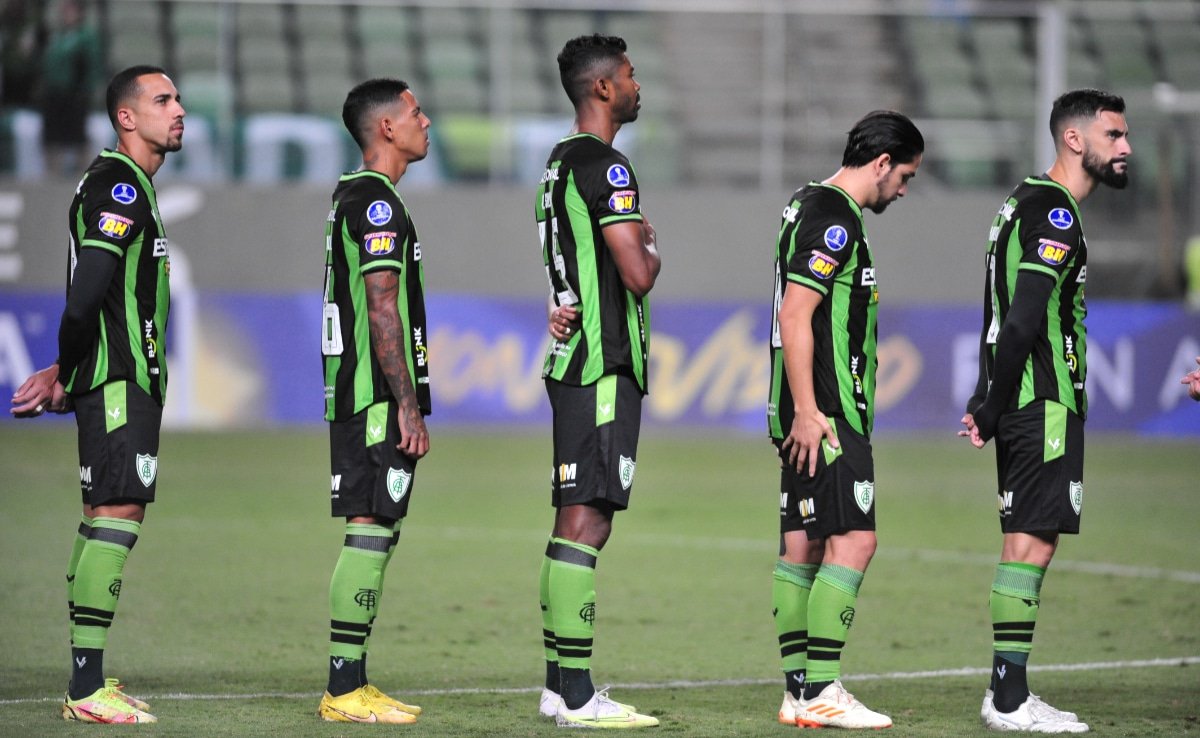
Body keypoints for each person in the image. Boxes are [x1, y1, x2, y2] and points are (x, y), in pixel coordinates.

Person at [8, 65, 185, 723]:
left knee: (103, 514)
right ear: (126, 117)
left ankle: (88, 679)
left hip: (112, 378)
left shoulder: (124, 183)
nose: (179, 110)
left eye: (178, 99)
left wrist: (65, 370)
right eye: (162, 100)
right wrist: (65, 368)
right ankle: (86, 690)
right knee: (118, 513)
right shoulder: (119, 184)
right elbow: (86, 296)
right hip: (117, 381)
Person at [960, 89, 1131, 734]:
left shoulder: (1022, 201)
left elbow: (1003, 312)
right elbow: (1026, 314)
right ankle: (1008, 698)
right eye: (1114, 135)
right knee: (1032, 542)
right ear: (1075, 140)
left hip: (1025, 401)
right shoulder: (1055, 214)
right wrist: (995, 404)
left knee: (1026, 538)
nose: (1125, 148)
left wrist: (989, 399)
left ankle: (1007, 691)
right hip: (1043, 400)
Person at [768, 110, 923, 730]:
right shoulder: (834, 218)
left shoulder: (805, 203)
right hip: (827, 412)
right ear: (881, 163)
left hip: (804, 408)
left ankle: (798, 691)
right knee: (856, 540)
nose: (905, 189)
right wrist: (810, 411)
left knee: (802, 544)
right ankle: (822, 691)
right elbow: (795, 314)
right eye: (905, 175)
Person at [534, 33, 661, 729]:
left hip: (572, 360)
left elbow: (569, 266)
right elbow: (637, 272)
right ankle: (577, 694)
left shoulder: (557, 165)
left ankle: (560, 684)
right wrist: (650, 241)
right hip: (603, 363)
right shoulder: (607, 167)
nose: (640, 86)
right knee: (588, 521)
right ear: (605, 88)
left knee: (572, 518)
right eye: (632, 76)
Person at [315, 78, 432, 725]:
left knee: (376, 528)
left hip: (361, 392)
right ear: (386, 127)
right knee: (369, 528)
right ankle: (342, 688)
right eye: (415, 112)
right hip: (374, 396)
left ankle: (353, 680)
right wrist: (407, 406)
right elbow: (382, 305)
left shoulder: (355, 198)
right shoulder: (377, 203)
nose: (426, 121)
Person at [38, 0, 102, 176]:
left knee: (77, 133)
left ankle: (85, 171)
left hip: (75, 92)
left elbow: (91, 64)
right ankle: (53, 171)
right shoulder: (57, 36)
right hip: (55, 92)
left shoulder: (85, 37)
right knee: (52, 134)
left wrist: (87, 88)